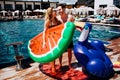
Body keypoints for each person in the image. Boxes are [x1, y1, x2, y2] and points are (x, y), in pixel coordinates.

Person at [43, 7, 61, 74]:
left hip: (56, 38)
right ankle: (53, 68)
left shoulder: (56, 20)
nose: (56, 12)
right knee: (52, 53)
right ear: (50, 13)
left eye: (56, 11)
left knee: (58, 52)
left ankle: (59, 65)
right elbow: (44, 32)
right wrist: (44, 42)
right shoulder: (48, 21)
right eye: (54, 11)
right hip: (50, 39)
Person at [56, 4, 75, 69]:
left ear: (64, 9)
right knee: (60, 51)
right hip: (60, 37)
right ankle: (60, 64)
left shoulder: (70, 17)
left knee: (69, 50)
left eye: (60, 9)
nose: (59, 11)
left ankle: (69, 64)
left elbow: (74, 26)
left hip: (69, 37)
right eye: (58, 10)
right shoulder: (57, 18)